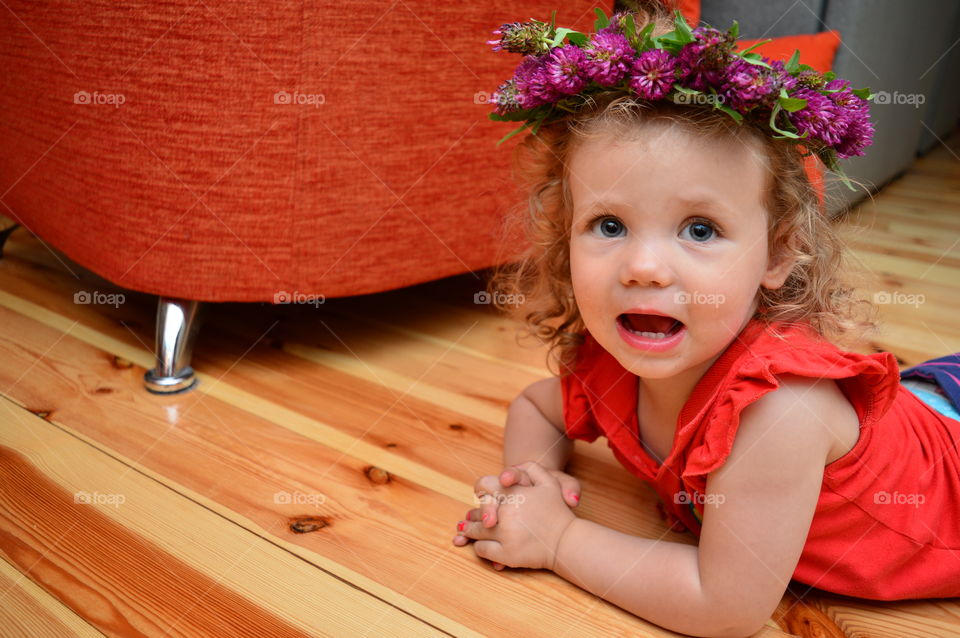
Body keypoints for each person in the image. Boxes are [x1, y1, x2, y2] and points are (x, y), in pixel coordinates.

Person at [451, 3, 960, 636]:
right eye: (608, 225)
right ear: (563, 237)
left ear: (776, 254)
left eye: (700, 229)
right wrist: (533, 483)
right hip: (926, 407)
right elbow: (534, 408)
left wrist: (557, 539)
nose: (644, 267)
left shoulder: (782, 412)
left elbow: (726, 607)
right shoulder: (612, 363)